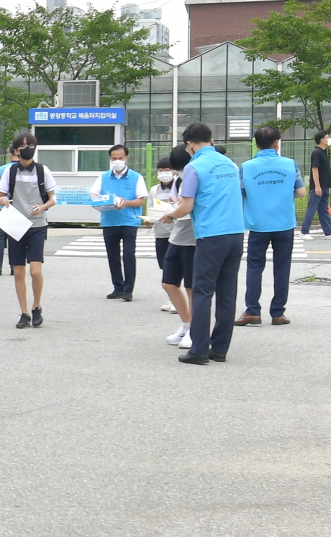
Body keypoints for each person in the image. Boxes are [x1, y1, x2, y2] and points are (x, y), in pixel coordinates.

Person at [174, 123, 245, 365]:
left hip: (211, 234)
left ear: (189, 144)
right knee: (227, 292)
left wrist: (168, 216)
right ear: (211, 139)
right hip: (236, 232)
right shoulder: (230, 164)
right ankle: (220, 348)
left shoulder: (194, 167)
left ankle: (199, 350)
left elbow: (186, 206)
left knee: (202, 292)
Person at [237, 126, 300, 326]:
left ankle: (252, 311)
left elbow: (240, 193)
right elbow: (301, 192)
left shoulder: (246, 167)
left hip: (258, 224)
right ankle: (278, 313)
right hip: (284, 223)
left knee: (255, 267)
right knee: (282, 268)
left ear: (256, 144)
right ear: (276, 143)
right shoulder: (290, 164)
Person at [0, 136, 54, 327]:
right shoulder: (10, 171)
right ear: (16, 150)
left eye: (30, 145)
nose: (27, 148)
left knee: (35, 271)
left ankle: (36, 306)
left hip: (37, 224)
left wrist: (43, 206)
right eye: (22, 146)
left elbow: (53, 198)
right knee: (19, 271)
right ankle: (24, 313)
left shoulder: (43, 170)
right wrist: (2, 200)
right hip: (16, 224)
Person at [149, 152, 195, 337]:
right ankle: (187, 325)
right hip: (176, 237)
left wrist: (172, 214)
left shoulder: (196, 178)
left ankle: (194, 330)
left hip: (193, 239)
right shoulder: (178, 182)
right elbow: (179, 204)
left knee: (191, 287)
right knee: (168, 283)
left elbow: (189, 207)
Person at [92, 143, 145, 300]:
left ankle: (128, 289)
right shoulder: (104, 177)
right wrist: (99, 200)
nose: (117, 161)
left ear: (127, 158)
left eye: (120, 158)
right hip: (109, 222)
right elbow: (93, 194)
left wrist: (126, 203)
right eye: (114, 158)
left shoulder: (136, 177)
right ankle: (118, 287)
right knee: (112, 256)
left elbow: (141, 200)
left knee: (128, 255)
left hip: (129, 221)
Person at [305, 131, 331, 237]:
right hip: (318, 187)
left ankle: (329, 232)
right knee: (312, 208)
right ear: (322, 140)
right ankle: (304, 231)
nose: (329, 139)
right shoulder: (316, 153)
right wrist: (317, 186)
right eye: (327, 137)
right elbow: (315, 169)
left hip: (325, 186)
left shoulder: (323, 152)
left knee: (323, 210)